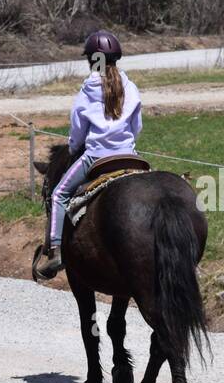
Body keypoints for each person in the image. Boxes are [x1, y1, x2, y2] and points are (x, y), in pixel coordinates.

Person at [33, 30, 142, 280]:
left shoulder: (87, 89)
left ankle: (56, 250)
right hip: (129, 155)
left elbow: (77, 131)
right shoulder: (130, 87)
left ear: (91, 60)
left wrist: (73, 148)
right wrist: (126, 142)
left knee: (59, 193)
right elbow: (137, 126)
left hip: (96, 157)